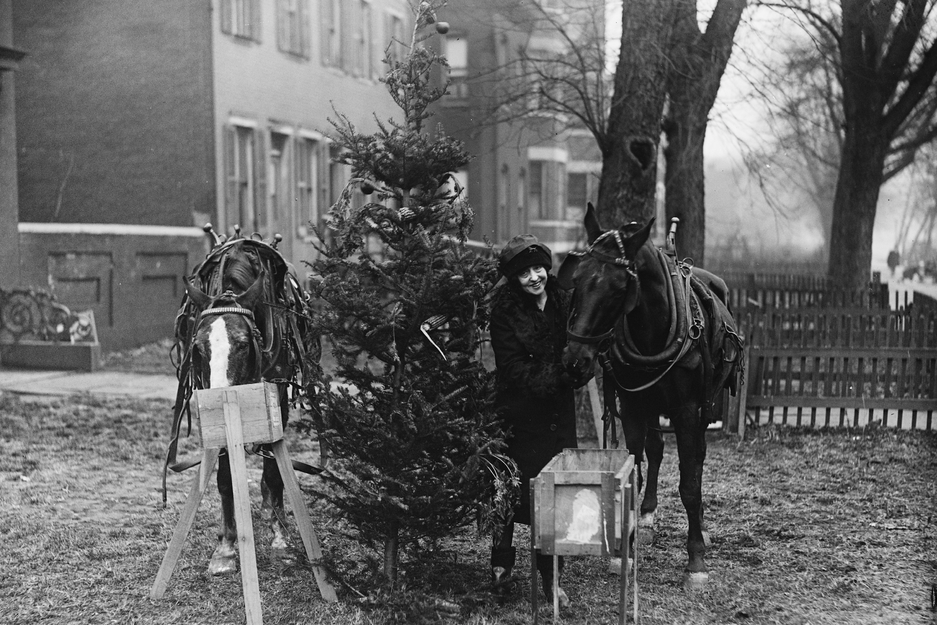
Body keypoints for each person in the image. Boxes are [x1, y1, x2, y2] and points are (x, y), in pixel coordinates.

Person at [488, 234, 588, 607]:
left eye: (538, 268)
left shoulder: (565, 301)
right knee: (509, 492)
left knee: (555, 497)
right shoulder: (504, 311)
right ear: (514, 278)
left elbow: (582, 345)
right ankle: (501, 567)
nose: (534, 277)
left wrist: (581, 369)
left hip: (559, 416)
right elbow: (512, 368)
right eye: (524, 272)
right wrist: (561, 374)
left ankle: (551, 577)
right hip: (519, 415)